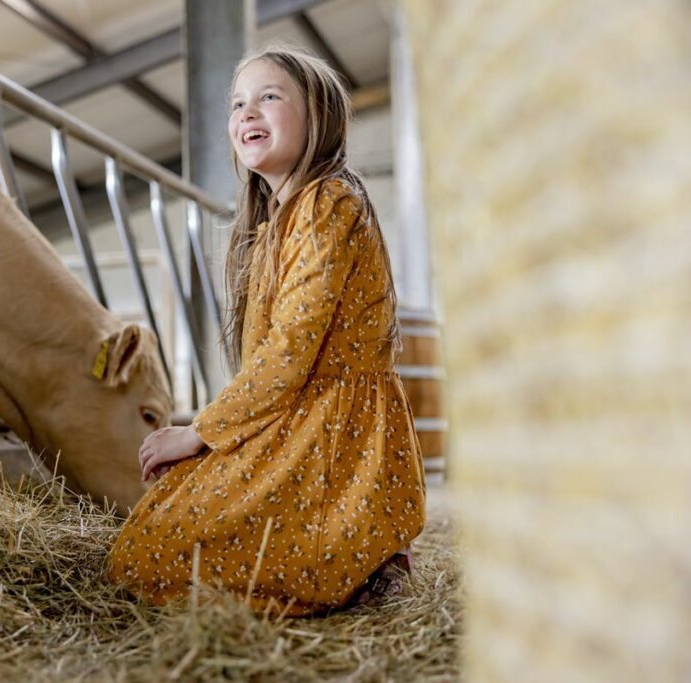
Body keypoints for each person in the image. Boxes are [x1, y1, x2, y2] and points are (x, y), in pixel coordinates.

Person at [107, 46, 426, 616]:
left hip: (333, 433)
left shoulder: (327, 202)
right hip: (297, 418)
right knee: (149, 540)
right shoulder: (283, 214)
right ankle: (361, 547)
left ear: (318, 117)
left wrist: (197, 431)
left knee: (150, 557)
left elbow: (287, 355)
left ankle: (362, 548)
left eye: (269, 97)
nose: (247, 113)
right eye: (237, 103)